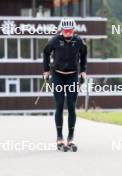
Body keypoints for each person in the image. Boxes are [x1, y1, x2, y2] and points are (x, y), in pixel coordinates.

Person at [43, 17, 87, 152]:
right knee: (60, 105)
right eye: (65, 31)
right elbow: (46, 53)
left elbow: (84, 55)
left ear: (74, 30)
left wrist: (83, 71)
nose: (68, 33)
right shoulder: (54, 41)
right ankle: (59, 137)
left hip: (73, 75)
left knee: (72, 106)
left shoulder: (79, 41)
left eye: (70, 31)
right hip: (58, 75)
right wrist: (46, 70)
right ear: (62, 30)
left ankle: (71, 138)